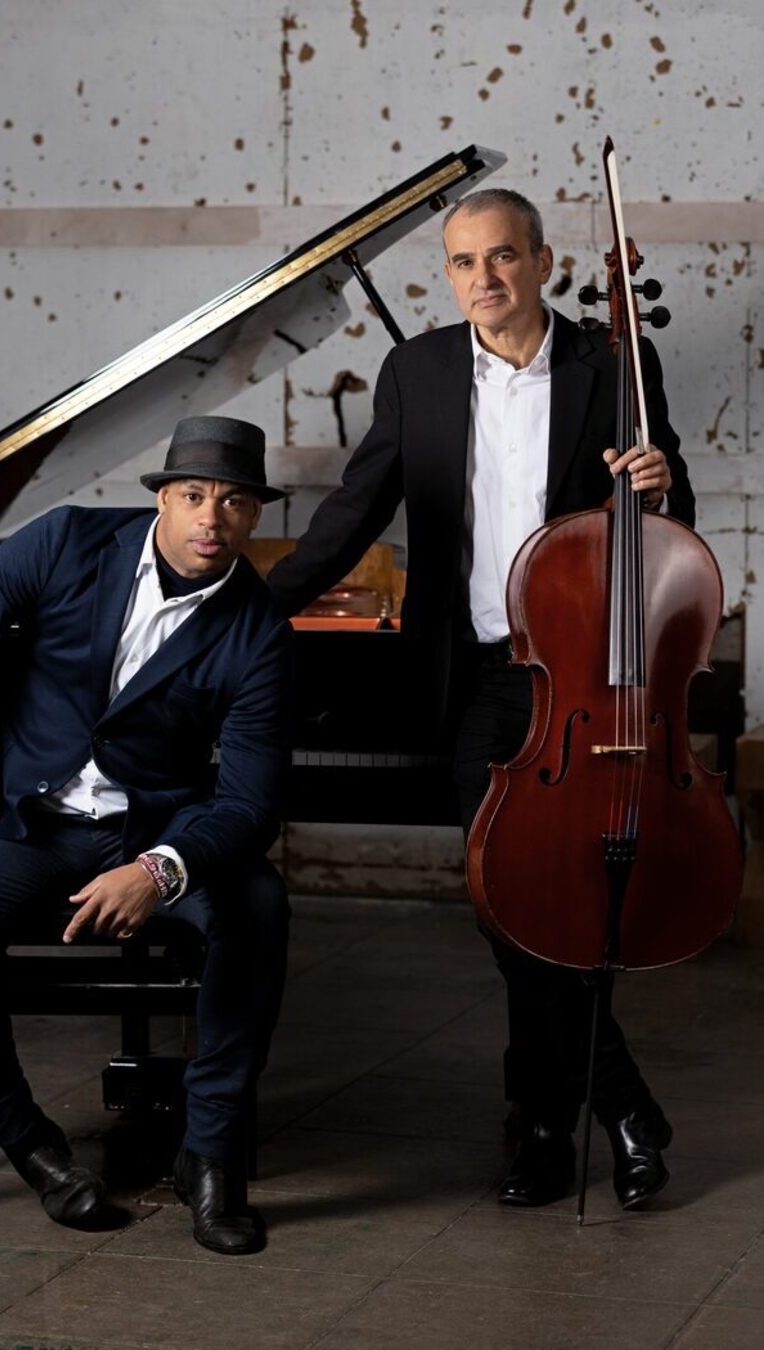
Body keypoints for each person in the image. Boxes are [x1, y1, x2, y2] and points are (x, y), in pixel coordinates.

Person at [268, 188, 694, 1209]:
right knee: (510, 903)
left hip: (588, 679)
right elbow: (352, 512)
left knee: (558, 904)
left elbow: (669, 516)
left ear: (543, 262)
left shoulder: (614, 364)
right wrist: (245, 610)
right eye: (463, 262)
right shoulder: (416, 372)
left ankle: (540, 1131)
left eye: (502, 256)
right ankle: (622, 1105)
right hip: (476, 681)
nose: (483, 278)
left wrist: (660, 482)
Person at [0, 415, 292, 1254]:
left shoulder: (260, 630)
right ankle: (29, 1143)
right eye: (194, 495)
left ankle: (210, 1156)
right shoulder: (66, 542)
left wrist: (160, 869)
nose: (211, 518)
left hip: (159, 826)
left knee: (256, 906)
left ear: (255, 515)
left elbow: (251, 803)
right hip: (32, 822)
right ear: (163, 498)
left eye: (233, 501)